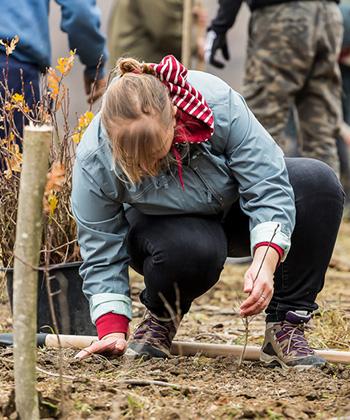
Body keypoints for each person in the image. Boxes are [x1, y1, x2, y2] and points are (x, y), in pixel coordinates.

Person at [72, 55, 343, 368]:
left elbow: (266, 181)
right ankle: (162, 317)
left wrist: (265, 261)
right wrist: (112, 328)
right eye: (137, 160)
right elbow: (100, 244)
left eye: (155, 151)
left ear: (174, 115)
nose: (148, 165)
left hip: (235, 208)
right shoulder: (94, 158)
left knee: (316, 184)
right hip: (167, 233)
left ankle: (286, 325)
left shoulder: (215, 101)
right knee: (192, 250)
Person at [205, 0, 343, 176]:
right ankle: (326, 201)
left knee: (260, 130)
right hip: (328, 15)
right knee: (321, 132)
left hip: (282, 17)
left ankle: (267, 201)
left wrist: (221, 25)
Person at [0, 0, 108, 139]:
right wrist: (95, 63)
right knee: (16, 156)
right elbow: (80, 11)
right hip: (13, 71)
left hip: (13, 64)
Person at [107, 0, 207, 67]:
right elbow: (165, 30)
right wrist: (195, 45)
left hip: (141, 69)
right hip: (142, 73)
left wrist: (191, 10)